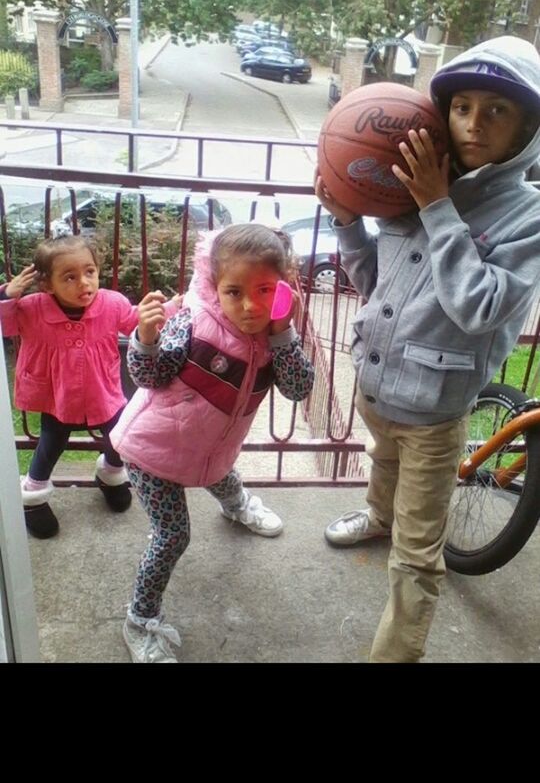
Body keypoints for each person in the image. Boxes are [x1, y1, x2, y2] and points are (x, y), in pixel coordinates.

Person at [315, 35, 540, 663]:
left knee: (417, 561)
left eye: (497, 110)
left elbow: (480, 307)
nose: (473, 123)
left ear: (529, 126)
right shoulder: (405, 183)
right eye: (462, 106)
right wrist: (346, 221)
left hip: (436, 414)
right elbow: (372, 281)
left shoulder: (527, 216)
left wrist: (438, 206)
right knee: (381, 461)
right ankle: (377, 514)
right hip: (376, 386)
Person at [110, 223, 315, 663]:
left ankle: (237, 505)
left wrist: (282, 332)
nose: (248, 306)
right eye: (233, 291)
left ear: (281, 290)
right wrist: (145, 340)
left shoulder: (274, 336)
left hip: (210, 450)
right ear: (212, 285)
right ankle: (139, 620)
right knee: (172, 536)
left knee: (220, 474)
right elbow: (149, 377)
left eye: (264, 290)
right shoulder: (194, 319)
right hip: (152, 451)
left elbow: (299, 387)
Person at [0, 234, 178, 539]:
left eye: (89, 272)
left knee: (119, 437)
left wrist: (167, 310)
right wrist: (5, 296)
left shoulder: (112, 303)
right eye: (69, 277)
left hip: (102, 390)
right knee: (51, 443)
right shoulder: (31, 308)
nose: (84, 282)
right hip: (56, 395)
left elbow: (134, 322)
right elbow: (6, 325)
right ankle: (33, 496)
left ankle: (110, 475)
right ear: (47, 284)